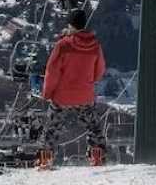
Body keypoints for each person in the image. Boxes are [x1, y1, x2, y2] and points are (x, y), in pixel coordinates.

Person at [36, 9, 108, 169]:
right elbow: (100, 70)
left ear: (70, 25)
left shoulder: (63, 45)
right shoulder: (95, 46)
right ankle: (97, 156)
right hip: (85, 95)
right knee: (94, 127)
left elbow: (52, 71)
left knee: (51, 129)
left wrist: (47, 93)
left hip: (62, 96)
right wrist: (88, 82)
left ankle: (45, 159)